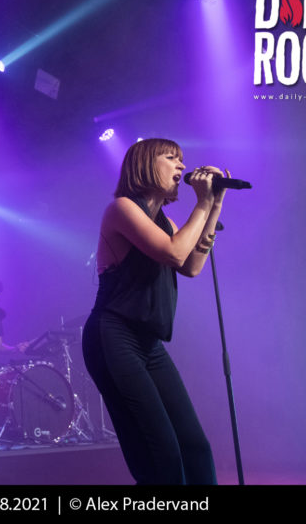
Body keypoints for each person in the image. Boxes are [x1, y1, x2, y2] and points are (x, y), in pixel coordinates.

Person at [81, 138, 228, 485]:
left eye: (182, 160)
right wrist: (202, 203)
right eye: (172, 158)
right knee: (161, 454)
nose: (182, 166)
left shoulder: (167, 223)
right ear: (145, 164)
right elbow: (173, 253)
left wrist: (215, 204)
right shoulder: (121, 208)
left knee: (194, 447)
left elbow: (192, 265)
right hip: (114, 337)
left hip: (149, 344)